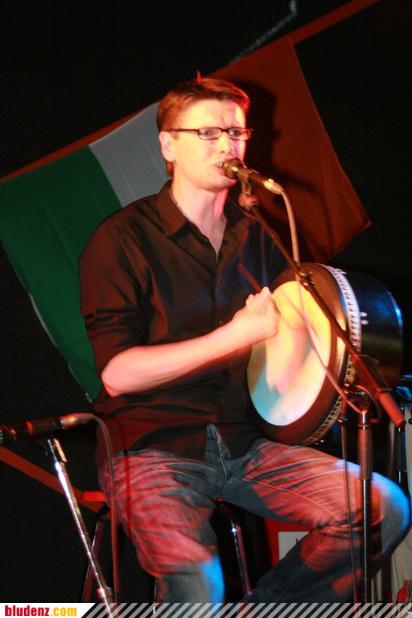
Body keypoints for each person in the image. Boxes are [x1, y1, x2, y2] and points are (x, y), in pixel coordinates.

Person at [79, 77, 410, 603]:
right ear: (168, 145)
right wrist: (232, 336)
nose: (226, 145)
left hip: (244, 442)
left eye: (235, 133)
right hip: (152, 445)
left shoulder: (259, 235)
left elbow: (287, 339)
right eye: (207, 133)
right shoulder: (122, 239)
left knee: (380, 506)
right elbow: (118, 374)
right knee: (196, 579)